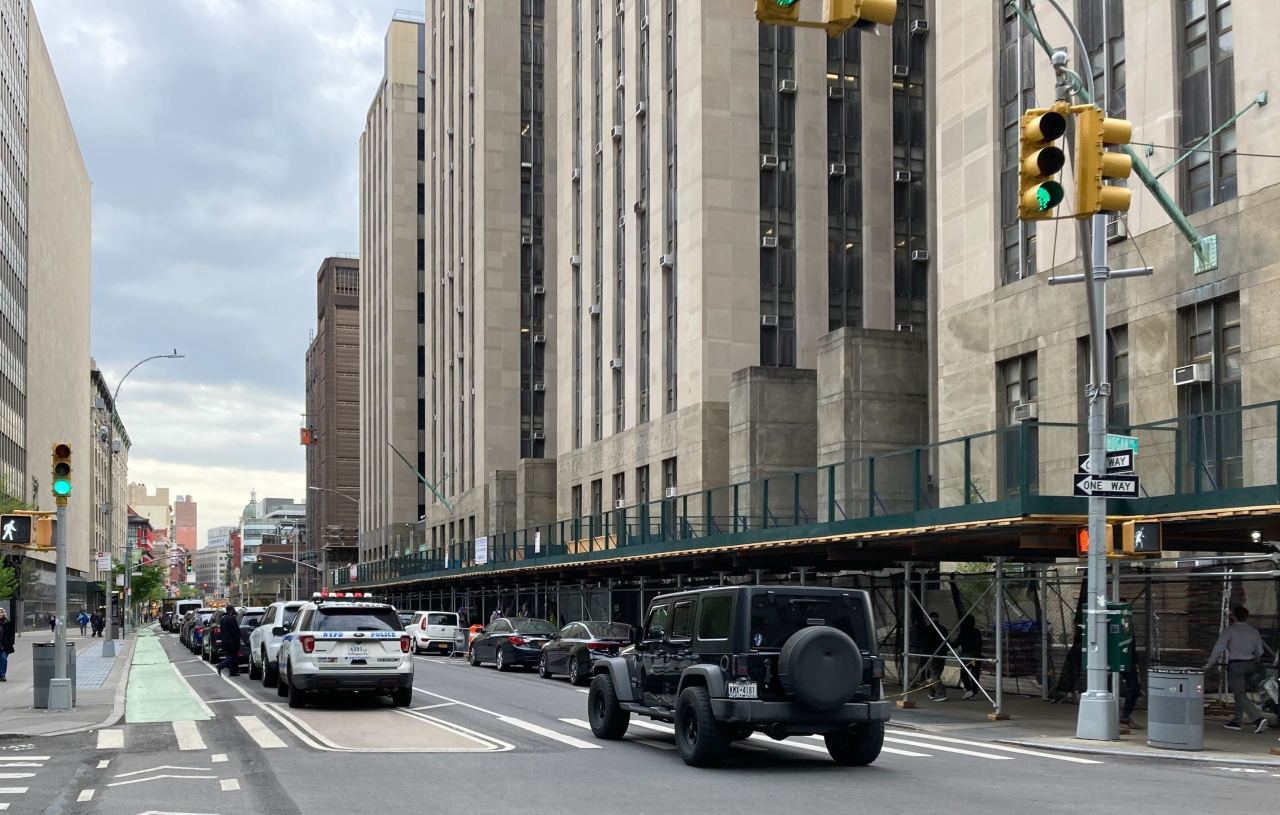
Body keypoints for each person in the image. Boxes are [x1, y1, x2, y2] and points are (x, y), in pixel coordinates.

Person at [1203, 606, 1274, 734]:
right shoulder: (1254, 632)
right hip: (1251, 664)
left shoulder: (1229, 631)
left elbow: (1218, 649)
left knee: (1239, 694)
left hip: (1236, 665)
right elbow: (1260, 651)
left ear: (1234, 616)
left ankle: (1258, 718)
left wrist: (1209, 665)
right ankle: (1237, 720)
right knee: (1241, 693)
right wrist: (1255, 661)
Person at [919, 612, 949, 701]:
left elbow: (925, 644)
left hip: (931, 655)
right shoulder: (943, 629)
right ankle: (932, 692)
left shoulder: (928, 630)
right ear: (938, 618)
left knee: (935, 675)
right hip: (942, 655)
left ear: (930, 618)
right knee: (936, 675)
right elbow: (946, 643)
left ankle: (941, 694)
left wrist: (923, 659)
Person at [956, 615, 984, 701]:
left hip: (967, 656)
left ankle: (969, 690)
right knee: (975, 674)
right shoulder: (976, 632)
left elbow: (957, 643)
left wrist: (948, 643)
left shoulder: (963, 632)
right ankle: (973, 692)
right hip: (975, 656)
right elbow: (979, 644)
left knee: (964, 673)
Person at [214, 606, 242, 677]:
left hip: (225, 641)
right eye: (233, 609)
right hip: (231, 641)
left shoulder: (223, 619)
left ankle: (232, 672)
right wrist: (238, 638)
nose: (234, 611)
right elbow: (235, 631)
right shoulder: (231, 618)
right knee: (233, 657)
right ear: (230, 610)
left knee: (229, 656)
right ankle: (220, 665)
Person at [0, 607, 14, 681]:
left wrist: (11, 642)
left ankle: (2, 675)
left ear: (3, 613)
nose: (0, 613)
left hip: (5, 645)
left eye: (1, 612)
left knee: (3, 659)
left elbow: (12, 634)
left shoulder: (8, 622)